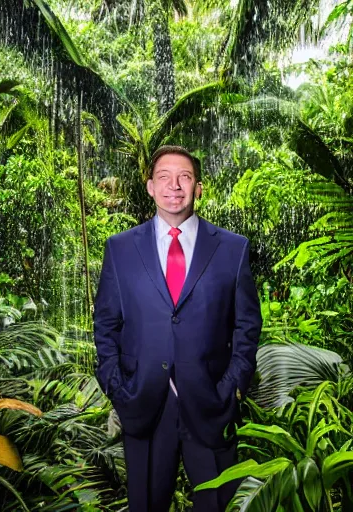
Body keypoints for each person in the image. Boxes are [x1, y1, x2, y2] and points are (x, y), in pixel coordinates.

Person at [93, 145, 262, 512]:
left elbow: (247, 327)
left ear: (198, 187)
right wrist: (117, 388)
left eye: (184, 177)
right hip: (143, 405)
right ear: (150, 187)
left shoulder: (233, 249)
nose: (174, 186)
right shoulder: (120, 249)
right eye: (164, 177)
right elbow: (106, 324)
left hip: (212, 404)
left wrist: (232, 389)